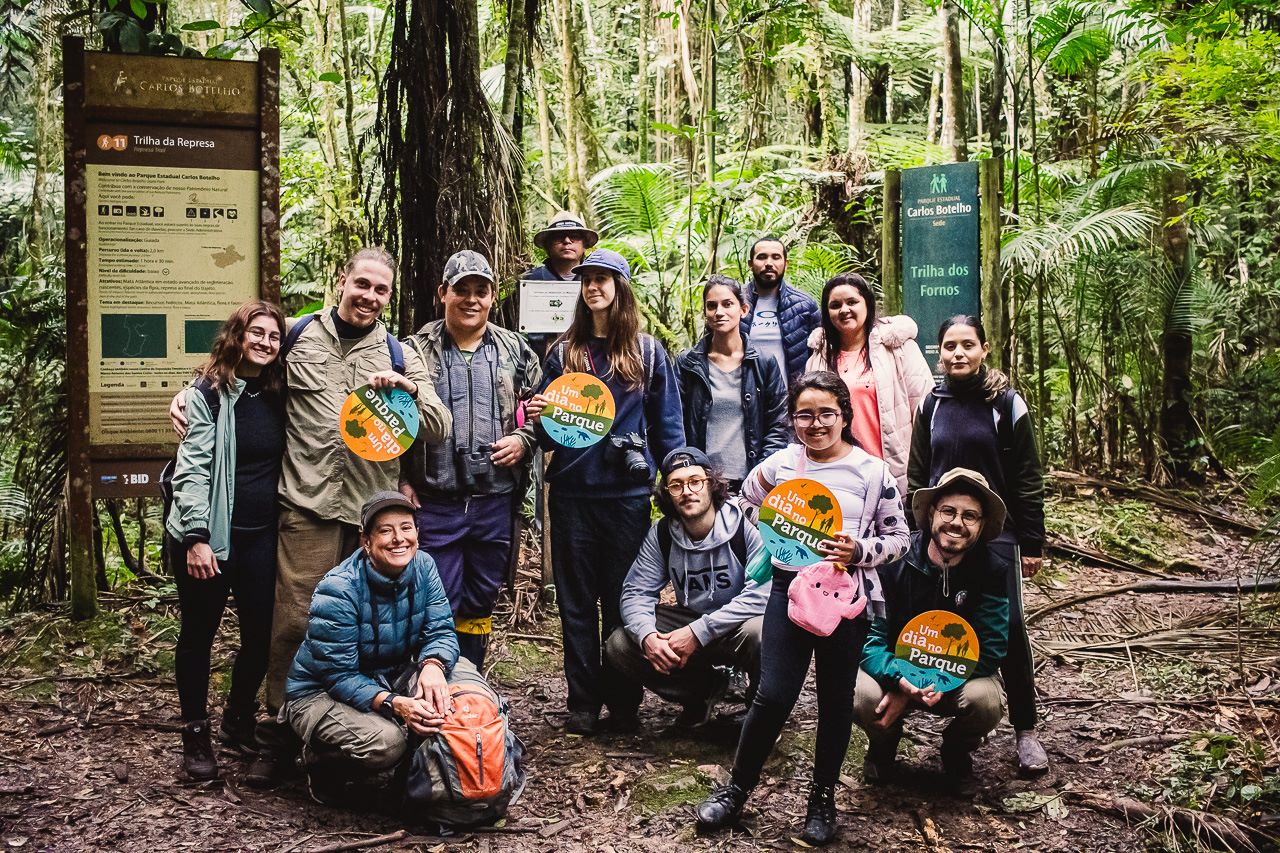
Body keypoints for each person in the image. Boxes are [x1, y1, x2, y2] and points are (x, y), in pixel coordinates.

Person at [169, 247, 451, 785]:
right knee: (292, 625)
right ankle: (279, 733)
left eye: (380, 289)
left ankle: (350, 728)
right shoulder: (296, 336)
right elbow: (234, 371)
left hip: (369, 514)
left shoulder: (399, 352)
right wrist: (188, 392)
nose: (369, 296)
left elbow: (438, 424)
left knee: (367, 627)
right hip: (306, 508)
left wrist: (410, 390)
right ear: (341, 281)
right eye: (361, 284)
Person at [696, 371, 910, 846]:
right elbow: (744, 501)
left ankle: (822, 801)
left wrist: (860, 552)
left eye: (826, 414)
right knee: (773, 695)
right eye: (804, 415)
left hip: (845, 595)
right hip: (788, 590)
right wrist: (774, 538)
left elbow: (900, 538)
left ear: (844, 416)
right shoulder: (780, 466)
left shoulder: (872, 472)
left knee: (835, 701)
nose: (815, 424)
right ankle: (735, 792)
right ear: (793, 419)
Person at [524, 248, 685, 735]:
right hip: (573, 493)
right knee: (574, 602)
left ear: (620, 286)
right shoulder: (562, 352)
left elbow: (668, 426)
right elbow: (550, 435)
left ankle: (624, 700)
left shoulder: (647, 352)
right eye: (587, 279)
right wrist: (536, 419)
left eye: (603, 278)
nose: (593, 286)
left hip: (627, 497)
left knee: (622, 599)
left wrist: (671, 481)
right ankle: (583, 702)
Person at [907, 314, 1049, 775]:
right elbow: (918, 470)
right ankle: (919, 712)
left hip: (996, 534)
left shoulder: (1005, 403)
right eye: (949, 346)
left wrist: (1032, 541)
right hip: (941, 532)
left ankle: (1025, 730)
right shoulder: (932, 403)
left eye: (968, 344)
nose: (958, 353)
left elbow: (1027, 475)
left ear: (984, 349)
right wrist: (918, 526)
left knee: (1009, 628)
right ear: (940, 352)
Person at [399, 250, 542, 669]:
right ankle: (432, 685)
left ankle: (471, 685)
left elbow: (543, 412)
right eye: (462, 290)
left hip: (495, 500)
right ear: (443, 293)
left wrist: (524, 439)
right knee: (436, 594)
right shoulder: (413, 351)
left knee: (481, 597)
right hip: (434, 499)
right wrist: (401, 480)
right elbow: (388, 420)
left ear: (493, 297)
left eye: (481, 291)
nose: (471, 299)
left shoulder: (516, 350)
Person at [165, 301, 287, 780]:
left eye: (274, 336)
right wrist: (196, 537)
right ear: (237, 335)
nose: (265, 343)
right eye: (256, 333)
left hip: (260, 536)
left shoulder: (279, 391)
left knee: (261, 636)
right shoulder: (208, 394)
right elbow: (192, 470)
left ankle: (237, 720)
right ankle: (195, 735)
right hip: (208, 537)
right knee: (199, 634)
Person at [283, 491, 459, 801]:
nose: (398, 539)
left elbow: (441, 629)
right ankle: (320, 763)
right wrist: (395, 704)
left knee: (457, 693)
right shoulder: (339, 589)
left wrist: (433, 665)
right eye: (385, 530)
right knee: (388, 743)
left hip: (387, 675)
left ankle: (413, 777)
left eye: (406, 527)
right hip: (319, 692)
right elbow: (338, 677)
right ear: (366, 539)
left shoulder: (424, 566)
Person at [855, 468, 1010, 791]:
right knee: (858, 693)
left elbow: (992, 645)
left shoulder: (992, 570)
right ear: (931, 514)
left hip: (955, 676)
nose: (957, 523)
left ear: (981, 526)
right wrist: (899, 680)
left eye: (970, 516)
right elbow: (869, 638)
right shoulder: (893, 559)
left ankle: (956, 751)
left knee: (987, 701)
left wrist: (937, 678)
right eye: (949, 511)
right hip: (896, 672)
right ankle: (884, 744)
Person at [605, 447, 769, 727]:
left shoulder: (746, 526)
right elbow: (636, 592)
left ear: (711, 484)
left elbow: (764, 594)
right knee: (620, 643)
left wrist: (698, 632)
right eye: (676, 485)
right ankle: (701, 693)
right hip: (691, 621)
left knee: (764, 631)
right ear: (667, 493)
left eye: (695, 481)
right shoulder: (663, 534)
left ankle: (761, 715)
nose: (687, 491)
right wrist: (648, 637)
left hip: (738, 624)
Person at [805, 272, 934, 496]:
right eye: (835, 305)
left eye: (852, 302)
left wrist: (921, 470)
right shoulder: (818, 357)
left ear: (867, 303)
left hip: (891, 469)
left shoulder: (897, 348)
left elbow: (925, 408)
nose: (844, 310)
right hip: (838, 476)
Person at [675, 275, 789, 491]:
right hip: (701, 483)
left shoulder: (763, 362)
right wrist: (687, 469)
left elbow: (779, 423)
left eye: (728, 304)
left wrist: (762, 473)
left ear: (743, 310)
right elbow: (675, 422)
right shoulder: (688, 364)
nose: (719, 312)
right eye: (711, 306)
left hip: (751, 480)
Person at [737, 236, 820, 383]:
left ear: (786, 264)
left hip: (791, 399)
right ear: (750, 264)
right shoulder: (733, 302)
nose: (769, 263)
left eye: (776, 257)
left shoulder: (804, 306)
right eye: (761, 257)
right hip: (744, 397)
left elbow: (821, 354)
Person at [519, 211, 597, 359]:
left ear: (584, 244)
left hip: (588, 362)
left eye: (574, 236)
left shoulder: (596, 281)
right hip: (538, 364)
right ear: (548, 245)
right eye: (559, 236)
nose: (567, 241)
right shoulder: (530, 281)